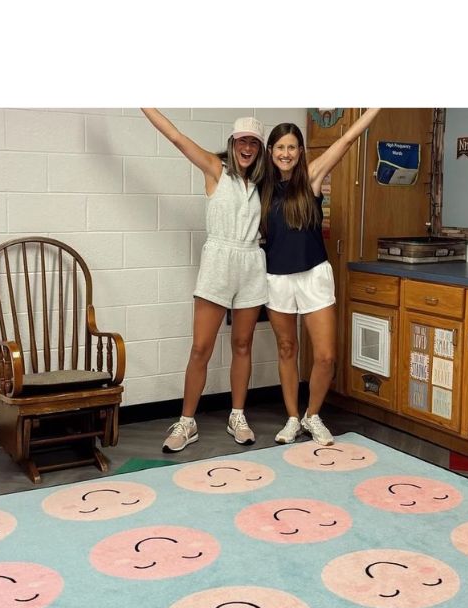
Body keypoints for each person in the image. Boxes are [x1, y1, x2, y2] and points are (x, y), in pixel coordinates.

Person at [141, 109, 268, 453]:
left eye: (254, 142)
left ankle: (237, 415)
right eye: (242, 140)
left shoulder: (262, 183)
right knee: (201, 347)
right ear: (233, 142)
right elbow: (176, 137)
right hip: (218, 261)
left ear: (259, 149)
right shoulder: (216, 169)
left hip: (251, 263)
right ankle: (186, 422)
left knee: (243, 344)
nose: (247, 147)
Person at [261, 109, 381, 445]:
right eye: (280, 147)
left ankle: (313, 415)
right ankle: (291, 419)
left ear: (300, 152)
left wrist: (375, 107)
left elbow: (346, 139)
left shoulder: (311, 177)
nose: (286, 153)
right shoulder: (262, 189)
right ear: (271, 152)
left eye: (292, 147)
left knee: (325, 354)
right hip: (277, 279)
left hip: (314, 274)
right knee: (287, 348)